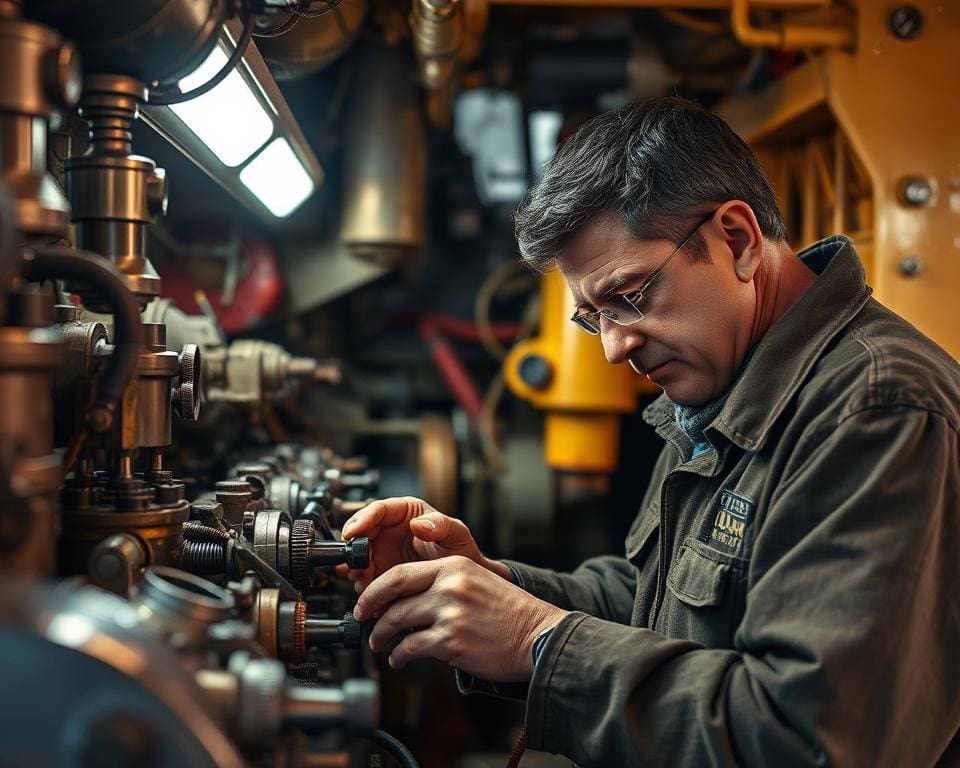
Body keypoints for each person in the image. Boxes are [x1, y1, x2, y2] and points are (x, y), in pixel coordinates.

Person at [342, 97, 960, 766]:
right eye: (592, 318)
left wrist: (537, 639)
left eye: (630, 296)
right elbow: (657, 606)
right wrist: (487, 587)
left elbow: (807, 741)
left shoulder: (876, 409)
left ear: (738, 241)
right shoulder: (722, 385)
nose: (613, 347)